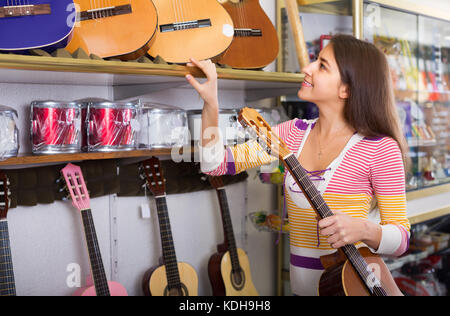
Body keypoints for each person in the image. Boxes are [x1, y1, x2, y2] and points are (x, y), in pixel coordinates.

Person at [185, 34, 410, 296]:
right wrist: (211, 103)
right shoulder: (291, 134)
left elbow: (401, 240)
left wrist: (363, 229)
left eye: (322, 65)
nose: (307, 68)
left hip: (354, 288)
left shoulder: (380, 149)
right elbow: (214, 165)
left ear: (346, 89)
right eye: (315, 60)